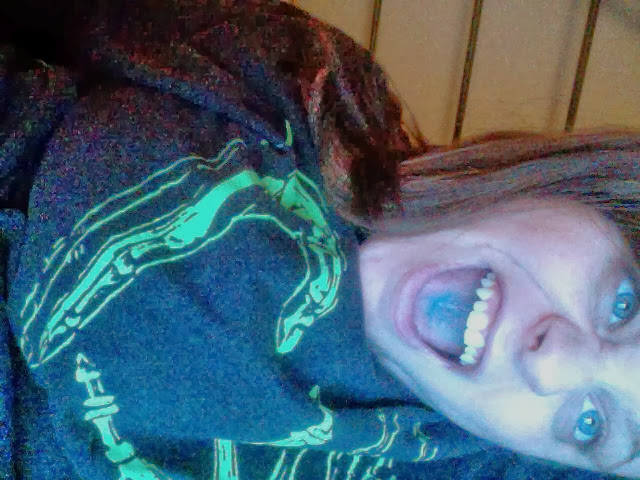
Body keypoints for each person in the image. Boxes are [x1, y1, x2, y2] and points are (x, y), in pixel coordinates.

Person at [0, 0, 637, 478]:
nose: (553, 364)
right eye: (625, 304)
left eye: (592, 426)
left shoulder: (458, 461)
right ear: (593, 194)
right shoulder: (304, 77)